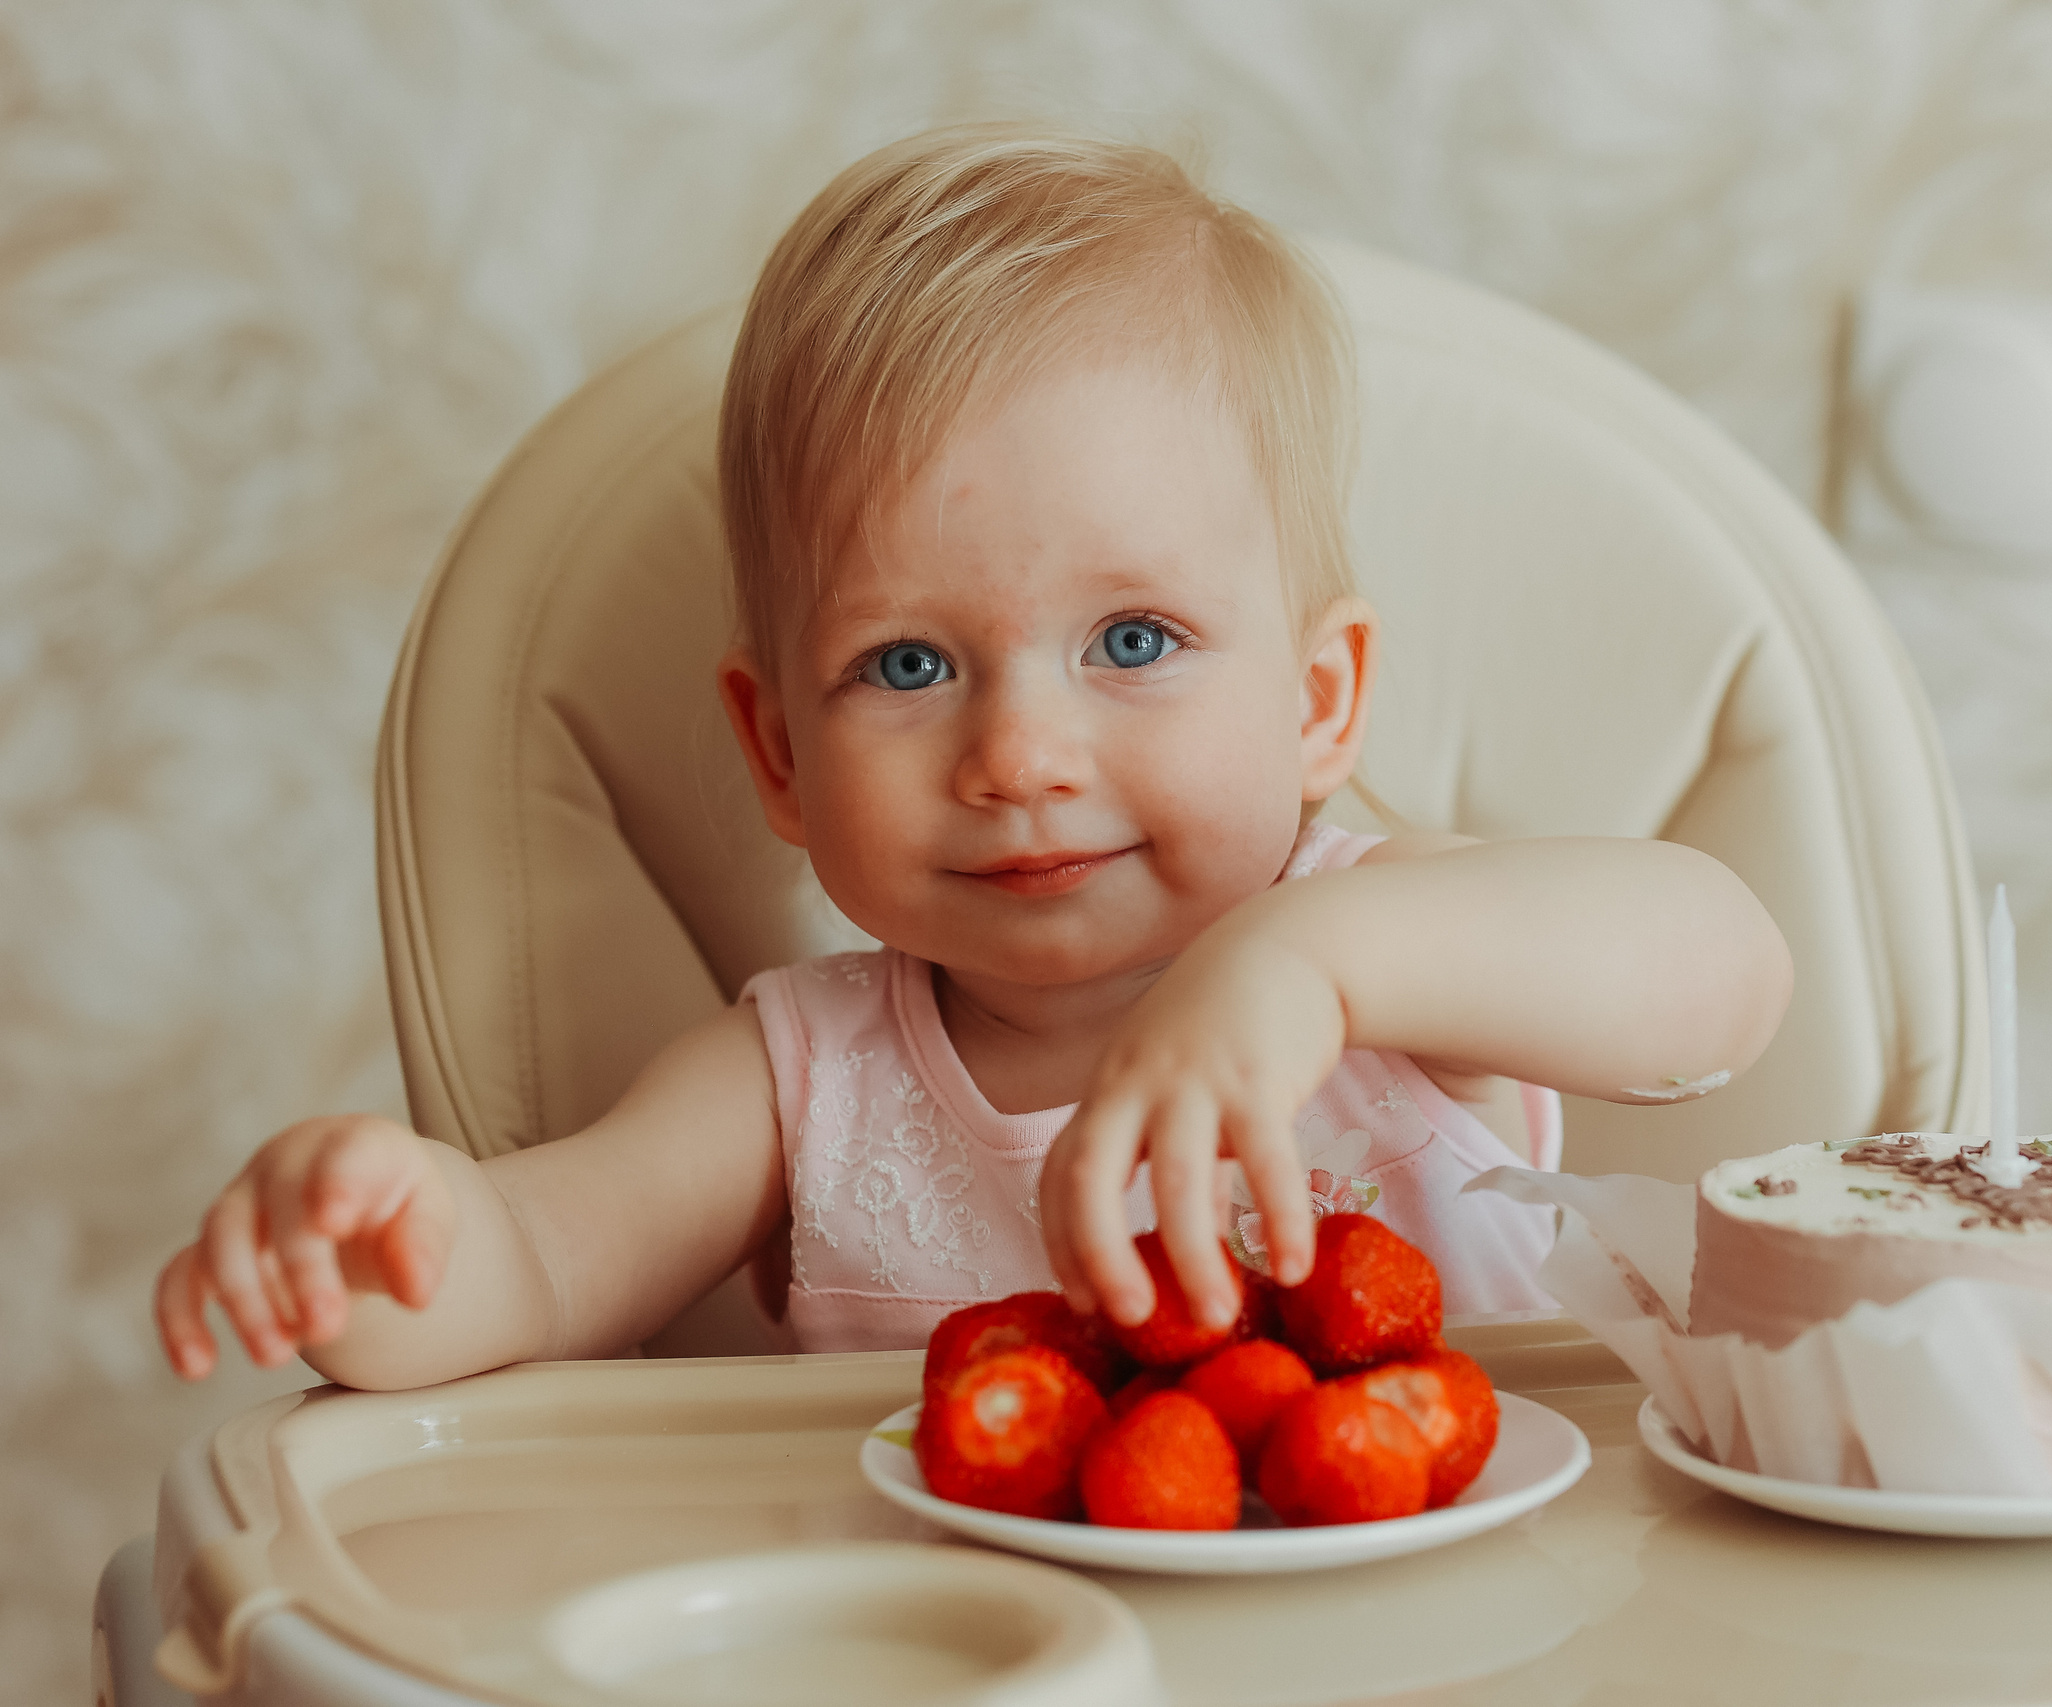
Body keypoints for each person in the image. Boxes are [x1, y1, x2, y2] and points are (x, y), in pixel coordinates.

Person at [154, 125, 1792, 1390]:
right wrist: (383, 1256)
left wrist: (1312, 967)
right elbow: (542, 1258)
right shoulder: (803, 1080)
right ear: (778, 755)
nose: (1017, 754)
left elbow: (1723, 972)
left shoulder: (1399, 963)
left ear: (1318, 699)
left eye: (1133, 642)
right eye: (910, 665)